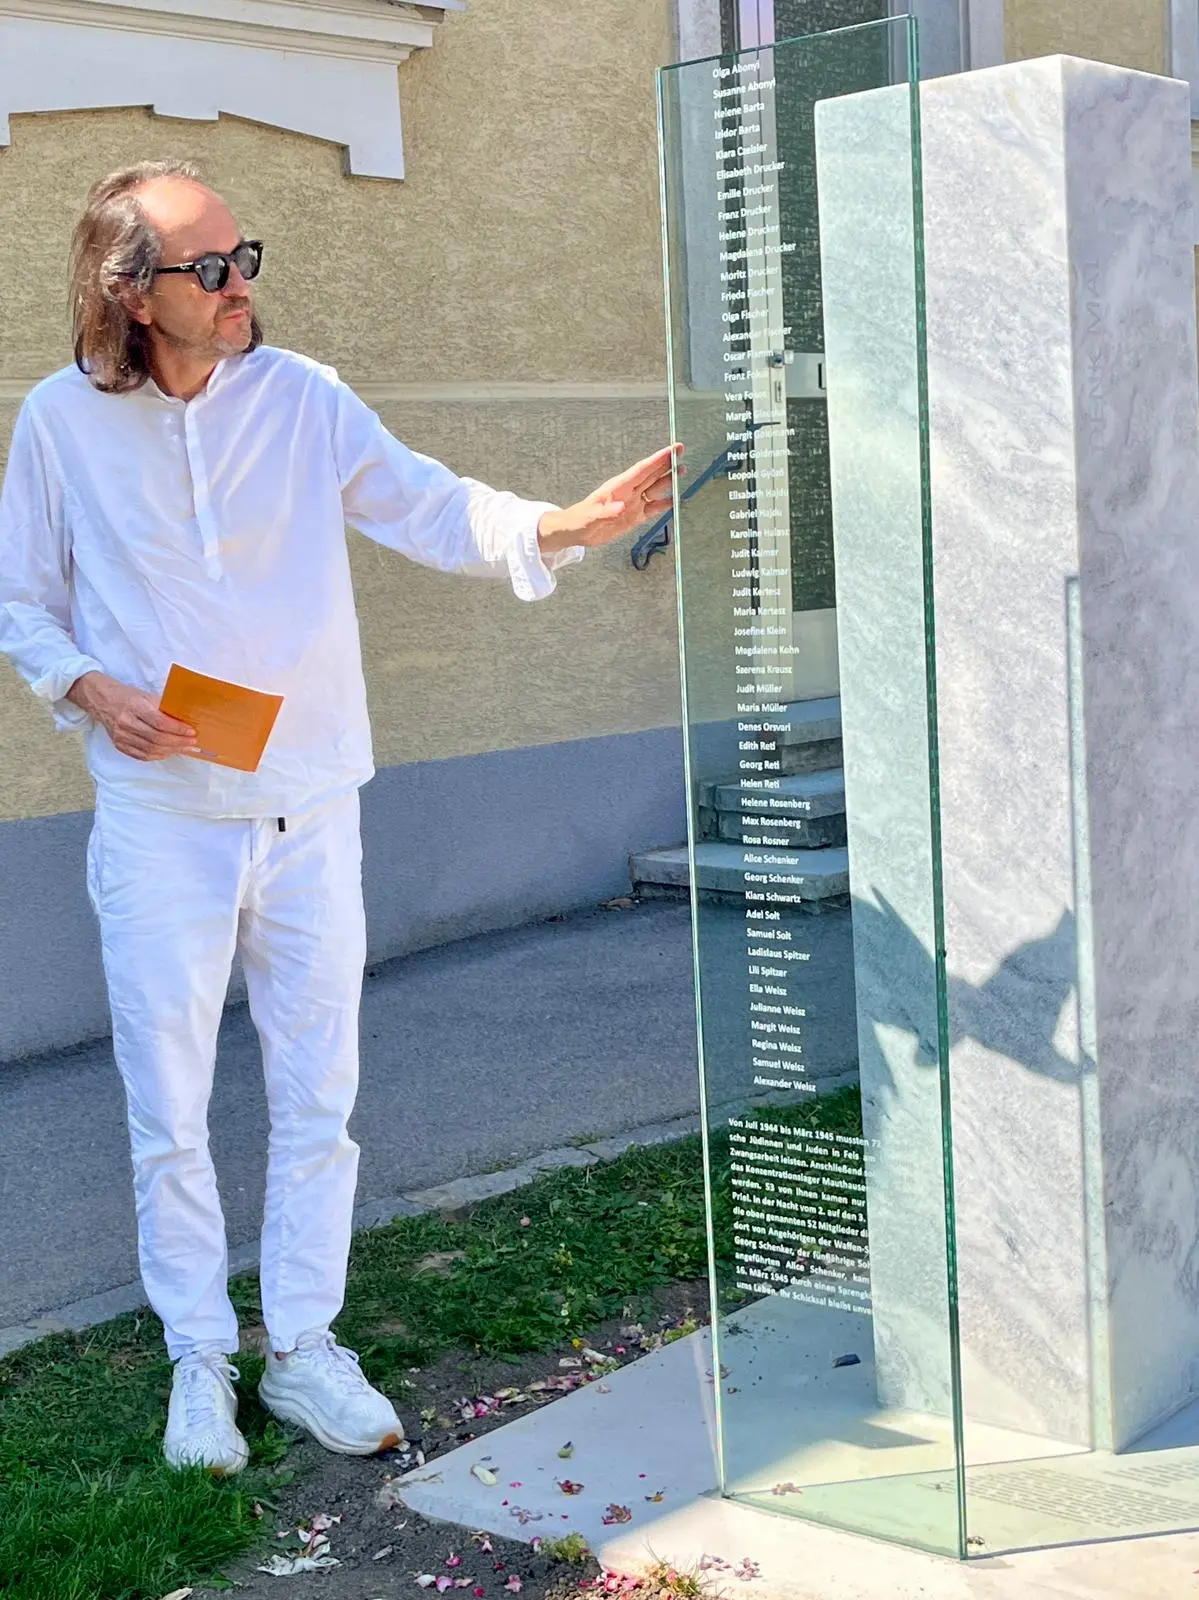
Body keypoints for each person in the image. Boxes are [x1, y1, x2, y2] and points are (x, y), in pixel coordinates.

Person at [0, 159, 676, 1476]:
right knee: (167, 1105)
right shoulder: (59, 422)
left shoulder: (301, 398)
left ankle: (303, 1344)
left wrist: (563, 525)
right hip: (160, 817)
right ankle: (200, 1357)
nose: (239, 284)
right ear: (130, 292)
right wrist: (87, 687)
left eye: (244, 255)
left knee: (320, 1096)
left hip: (309, 805)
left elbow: (428, 504)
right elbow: (22, 601)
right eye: (209, 268)